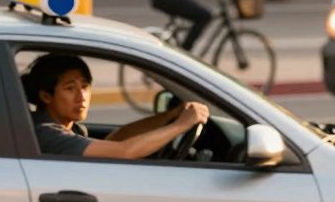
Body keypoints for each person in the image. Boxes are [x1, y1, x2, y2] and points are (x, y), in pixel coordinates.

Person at [24, 53, 209, 159]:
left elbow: (115, 140)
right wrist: (181, 125)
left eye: (85, 86)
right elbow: (124, 151)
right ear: (46, 96)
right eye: (70, 88)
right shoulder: (47, 133)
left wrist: (171, 115)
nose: (81, 96)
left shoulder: (71, 129)